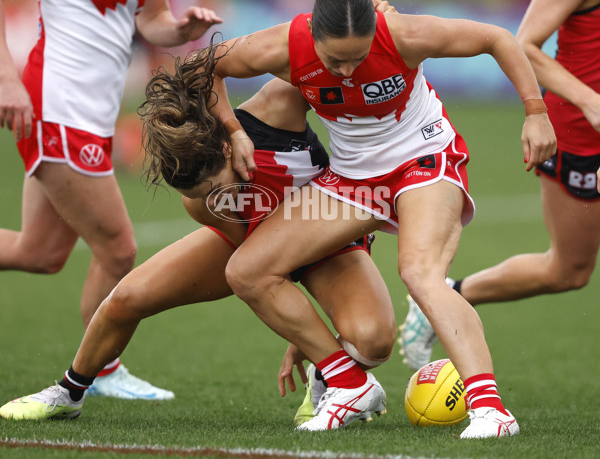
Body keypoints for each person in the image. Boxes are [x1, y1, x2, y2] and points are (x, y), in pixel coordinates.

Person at [201, 0, 556, 437]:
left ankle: (492, 411)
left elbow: (497, 38)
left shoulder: (403, 34)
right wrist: (233, 131)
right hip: (352, 178)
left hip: (423, 160)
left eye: (359, 56)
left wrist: (535, 112)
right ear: (312, 39)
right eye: (334, 60)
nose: (347, 71)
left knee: (420, 272)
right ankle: (349, 384)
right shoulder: (282, 45)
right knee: (247, 270)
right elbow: (207, 66)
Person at [0, 49, 394, 427]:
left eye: (214, 188)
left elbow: (334, 69)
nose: (212, 200)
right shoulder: (201, 203)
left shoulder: (276, 107)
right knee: (125, 298)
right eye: (199, 196)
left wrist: (369, 26)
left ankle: (330, 374)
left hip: (326, 231)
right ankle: (68, 394)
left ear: (226, 147)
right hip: (263, 243)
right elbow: (260, 260)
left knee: (374, 340)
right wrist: (306, 331)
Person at [0, 0, 223, 399]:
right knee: (119, 251)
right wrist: (6, 80)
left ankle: (100, 369)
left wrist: (181, 29)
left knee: (40, 253)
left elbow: (151, 18)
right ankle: (101, 369)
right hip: (55, 112)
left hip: (95, 118)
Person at [400, 0, 600, 373]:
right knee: (569, 270)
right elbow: (525, 44)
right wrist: (589, 101)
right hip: (580, 133)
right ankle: (451, 294)